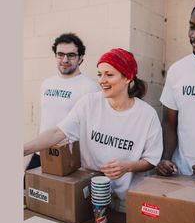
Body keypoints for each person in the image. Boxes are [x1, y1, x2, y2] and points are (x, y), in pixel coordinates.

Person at [24, 48, 163, 212]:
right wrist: (23, 149)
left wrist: (127, 166)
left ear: (128, 78)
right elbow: (57, 132)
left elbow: (151, 160)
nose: (102, 80)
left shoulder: (147, 115)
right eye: (99, 74)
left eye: (109, 75)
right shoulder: (89, 103)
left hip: (124, 201)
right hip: (88, 193)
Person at [156, 0, 195, 180]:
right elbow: (169, 123)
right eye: (192, 26)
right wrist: (165, 159)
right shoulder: (178, 70)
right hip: (182, 176)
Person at [25, 32, 99, 171]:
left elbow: (93, 127)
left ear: (81, 58)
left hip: (68, 156)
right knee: (28, 190)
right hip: (40, 152)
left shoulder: (89, 87)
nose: (65, 59)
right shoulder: (47, 83)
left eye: (71, 55)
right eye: (60, 54)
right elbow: (44, 118)